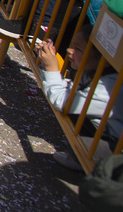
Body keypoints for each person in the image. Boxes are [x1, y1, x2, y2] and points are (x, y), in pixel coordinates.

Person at [37, 27, 121, 169]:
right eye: (72, 45)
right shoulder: (94, 72)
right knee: (75, 123)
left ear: (105, 60)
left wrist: (51, 67)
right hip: (106, 129)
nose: (69, 50)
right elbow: (70, 92)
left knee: (81, 148)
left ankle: (90, 164)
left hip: (116, 146)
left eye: (78, 49)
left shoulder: (107, 89)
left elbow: (63, 102)